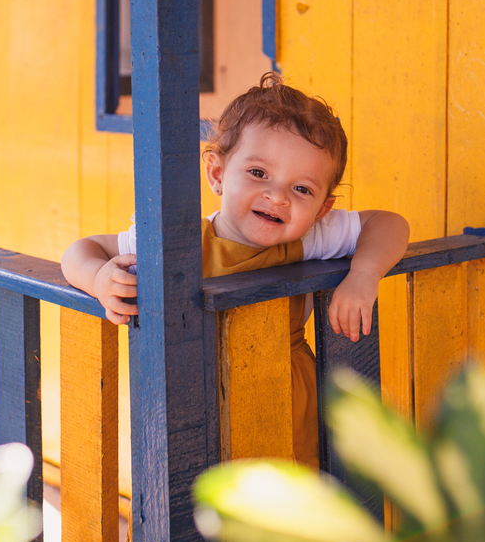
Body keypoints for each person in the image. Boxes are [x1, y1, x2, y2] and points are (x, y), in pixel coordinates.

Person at [61, 72, 410, 470]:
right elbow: (80, 250)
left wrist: (363, 275)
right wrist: (98, 278)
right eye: (258, 173)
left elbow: (390, 223)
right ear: (217, 174)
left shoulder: (308, 238)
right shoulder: (179, 243)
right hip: (197, 401)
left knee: (288, 510)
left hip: (288, 401)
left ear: (322, 209)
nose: (277, 196)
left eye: (302, 190)